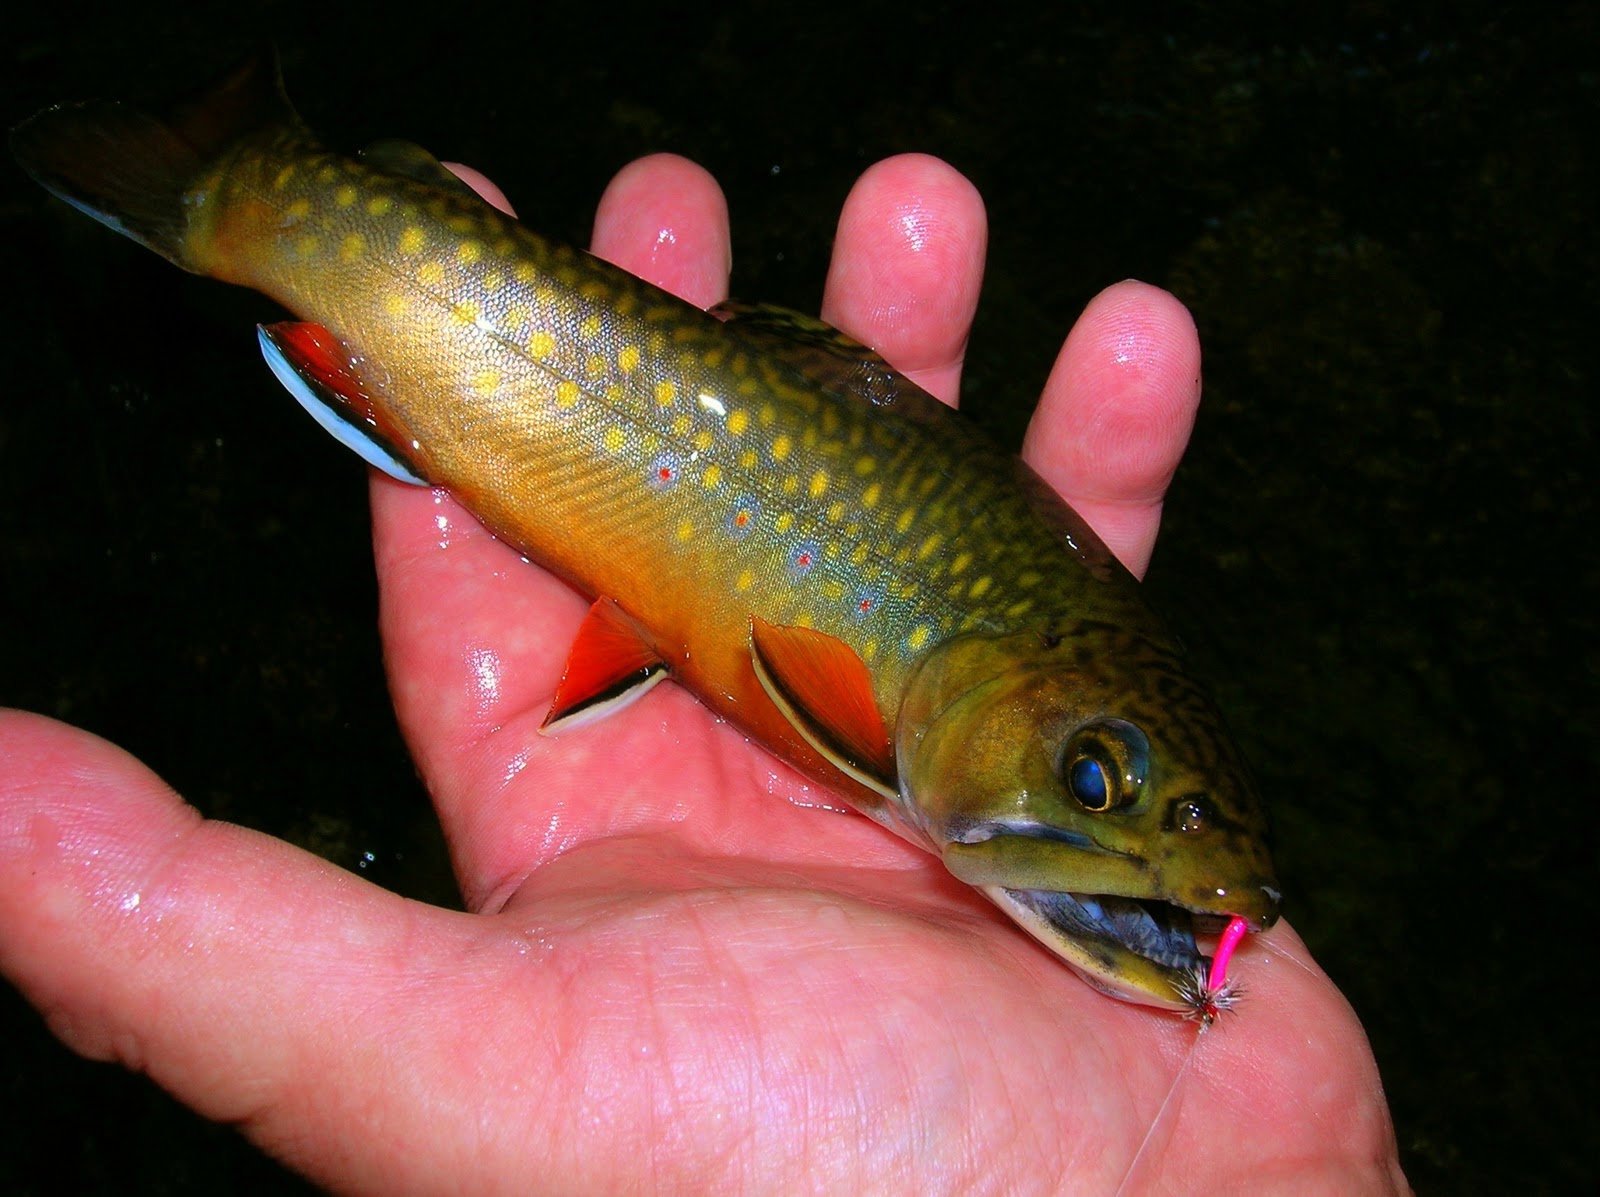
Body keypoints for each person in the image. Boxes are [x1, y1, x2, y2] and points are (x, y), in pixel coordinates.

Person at [0, 151, 1411, 1194]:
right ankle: (222, 186)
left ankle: (230, 182)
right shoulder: (889, 722)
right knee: (228, 212)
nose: (1113, 829)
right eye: (1096, 780)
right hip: (519, 369)